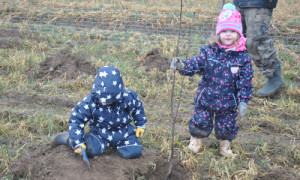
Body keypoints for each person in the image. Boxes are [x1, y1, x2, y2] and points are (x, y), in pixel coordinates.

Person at [170, 3, 253, 156]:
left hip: (228, 102)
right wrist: (182, 65)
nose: (228, 34)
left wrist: (243, 101)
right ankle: (195, 142)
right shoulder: (209, 52)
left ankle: (225, 147)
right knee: (200, 121)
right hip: (206, 99)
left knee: (226, 126)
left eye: (232, 31)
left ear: (239, 33)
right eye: (224, 31)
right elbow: (196, 63)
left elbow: (245, 82)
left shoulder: (243, 58)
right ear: (218, 33)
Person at [51, 66, 147, 159]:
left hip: (123, 131)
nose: (104, 102)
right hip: (100, 132)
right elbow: (77, 119)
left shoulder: (127, 97)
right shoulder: (90, 102)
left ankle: (118, 146)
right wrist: (78, 142)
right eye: (102, 99)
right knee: (90, 149)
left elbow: (137, 108)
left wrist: (140, 124)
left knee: (134, 151)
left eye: (109, 100)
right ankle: (68, 139)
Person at [233, 0, 285, 97]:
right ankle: (238, 78)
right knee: (238, 38)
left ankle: (274, 77)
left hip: (259, 3)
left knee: (257, 40)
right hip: (240, 3)